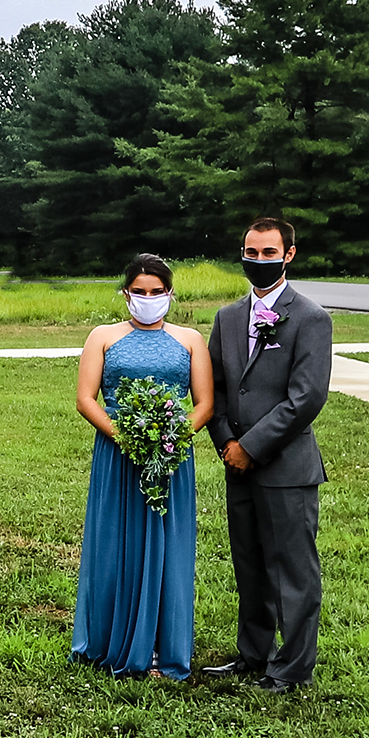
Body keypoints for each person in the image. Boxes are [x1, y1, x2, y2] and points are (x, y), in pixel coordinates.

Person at [203, 215, 331, 696]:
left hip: (286, 467)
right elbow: (213, 387)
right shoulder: (228, 317)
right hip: (236, 464)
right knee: (250, 564)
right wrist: (227, 444)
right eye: (251, 253)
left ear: (289, 255)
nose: (259, 261)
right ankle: (253, 652)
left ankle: (292, 666)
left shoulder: (312, 318)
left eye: (269, 253)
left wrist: (252, 447)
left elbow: (307, 397)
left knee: (293, 570)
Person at [70, 255, 212, 683]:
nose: (147, 299)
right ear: (126, 293)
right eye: (139, 292)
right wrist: (127, 437)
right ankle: (110, 640)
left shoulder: (190, 339)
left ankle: (160, 646)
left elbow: (204, 404)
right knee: (115, 543)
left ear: (169, 294)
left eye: (156, 292)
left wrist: (167, 439)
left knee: (168, 548)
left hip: (171, 458)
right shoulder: (103, 336)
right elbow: (86, 399)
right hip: (118, 455)